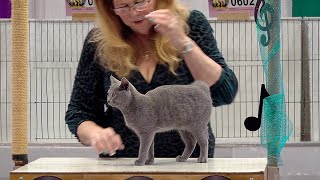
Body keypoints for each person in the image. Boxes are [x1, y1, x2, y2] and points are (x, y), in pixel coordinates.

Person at [65, 0, 238, 158]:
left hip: (189, 166)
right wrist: (96, 134)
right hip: (123, 165)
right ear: (110, 9)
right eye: (123, 6)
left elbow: (224, 92)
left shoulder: (191, 24)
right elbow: (79, 111)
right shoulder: (99, 42)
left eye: (140, 2)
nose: (134, 12)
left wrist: (182, 41)